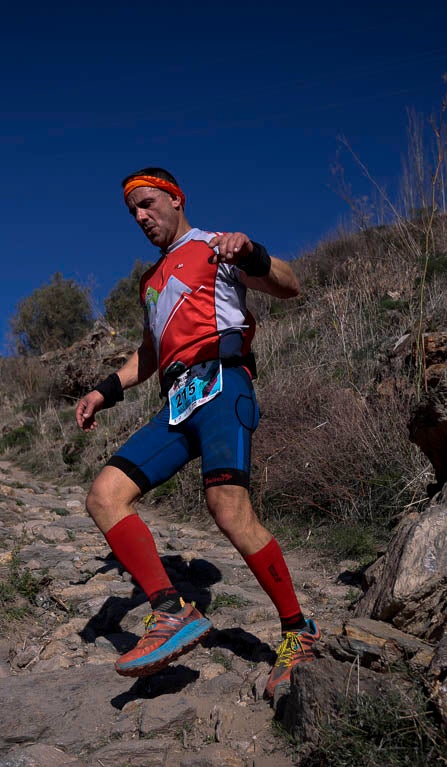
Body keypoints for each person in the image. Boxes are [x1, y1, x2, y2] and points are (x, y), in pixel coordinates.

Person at [75, 167, 320, 701]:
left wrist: (251, 252)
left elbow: (289, 285)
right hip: (177, 402)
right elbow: (149, 354)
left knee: (228, 509)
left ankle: (298, 631)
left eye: (147, 203)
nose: (141, 217)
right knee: (104, 496)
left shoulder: (216, 246)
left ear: (176, 198)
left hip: (223, 383)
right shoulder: (149, 282)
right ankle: (171, 612)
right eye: (132, 212)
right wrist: (104, 390)